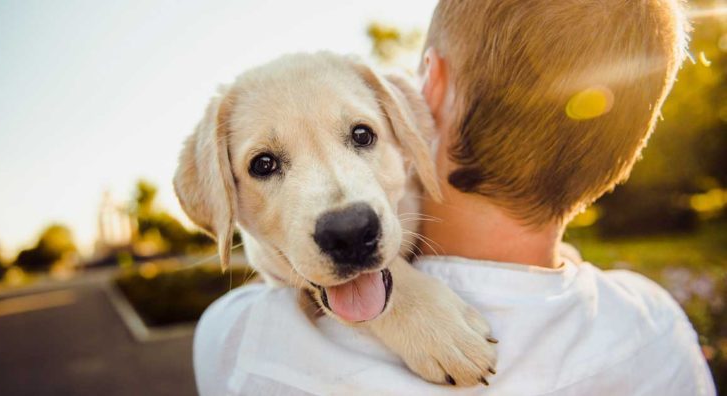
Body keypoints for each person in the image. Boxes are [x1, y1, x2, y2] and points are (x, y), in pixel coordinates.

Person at [193, 0, 717, 394]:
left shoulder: (241, 341)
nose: (343, 208)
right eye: (265, 165)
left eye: (360, 136)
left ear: (428, 92)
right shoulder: (658, 326)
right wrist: (397, 303)